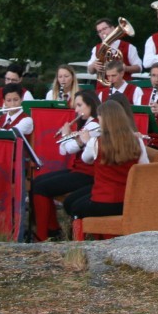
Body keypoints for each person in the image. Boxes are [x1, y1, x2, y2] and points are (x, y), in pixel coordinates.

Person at [30, 89, 102, 241]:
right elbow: (63, 150)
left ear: (91, 105)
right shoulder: (86, 124)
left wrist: (66, 134)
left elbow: (69, 149)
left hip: (89, 175)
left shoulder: (93, 126)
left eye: (79, 105)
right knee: (37, 182)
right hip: (79, 170)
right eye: (75, 106)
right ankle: (52, 229)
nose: (76, 110)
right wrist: (68, 136)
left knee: (42, 188)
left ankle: (44, 234)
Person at [64, 99, 150, 222]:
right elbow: (145, 167)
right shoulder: (137, 140)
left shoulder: (96, 142)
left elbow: (86, 159)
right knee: (73, 201)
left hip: (103, 200)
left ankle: (90, 232)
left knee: (74, 208)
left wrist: (87, 141)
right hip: (128, 199)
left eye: (99, 119)